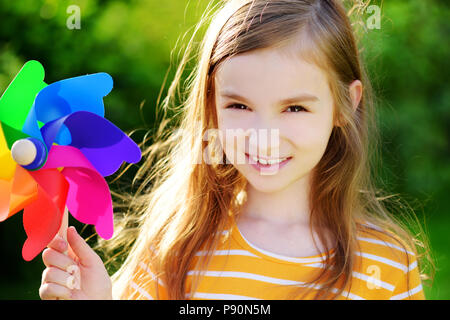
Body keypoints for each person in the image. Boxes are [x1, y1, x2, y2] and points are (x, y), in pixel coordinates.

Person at [39, 0, 433, 300]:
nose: (264, 135)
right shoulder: (175, 248)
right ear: (212, 104)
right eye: (239, 106)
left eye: (294, 108)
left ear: (345, 106)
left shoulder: (388, 265)